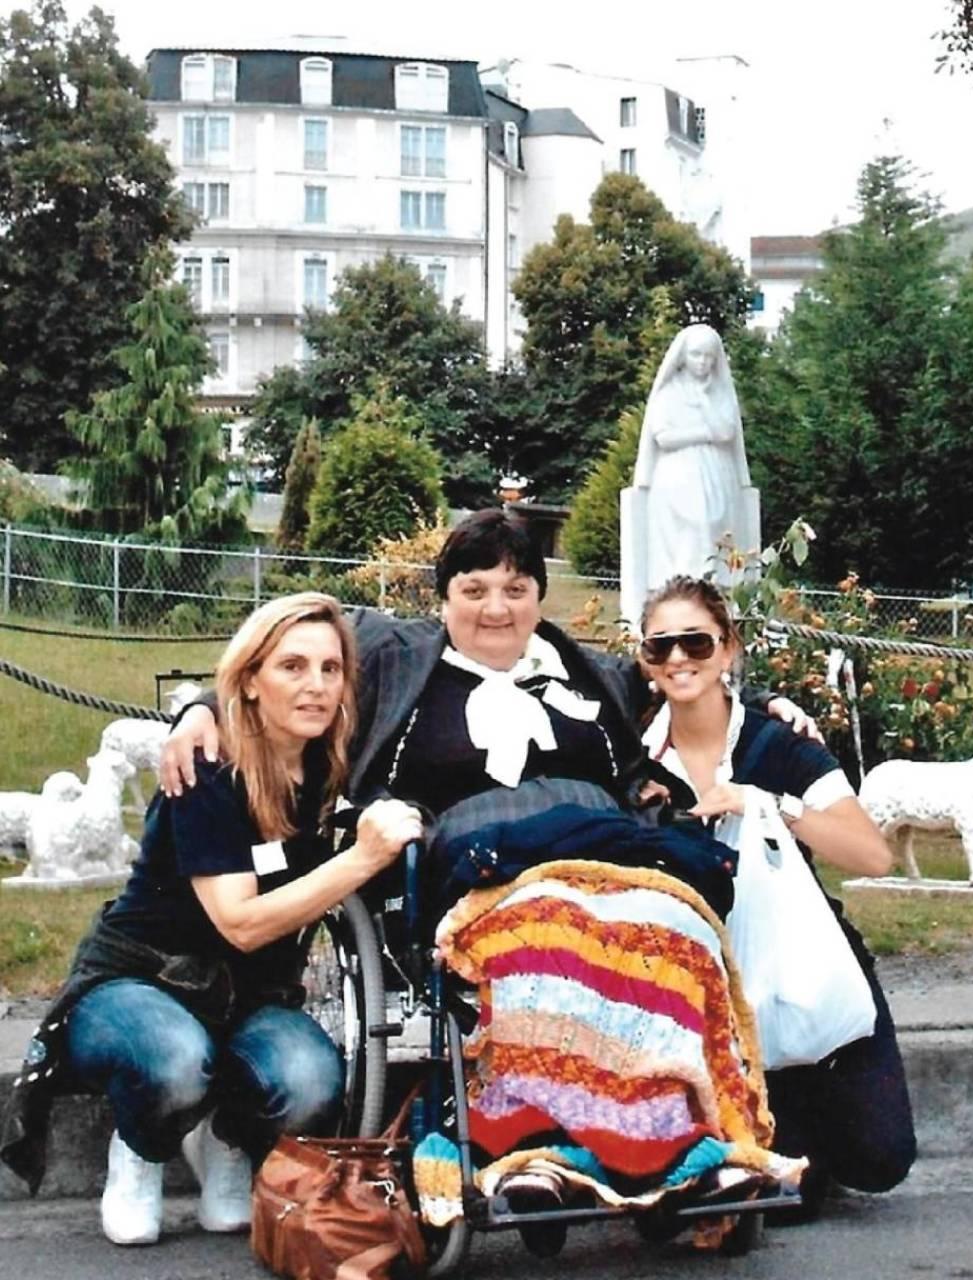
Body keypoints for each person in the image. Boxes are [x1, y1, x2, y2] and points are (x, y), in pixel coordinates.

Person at [0, 594, 422, 1245]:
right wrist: (361, 859)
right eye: (292, 666)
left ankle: (225, 1135)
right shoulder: (205, 767)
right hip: (139, 982)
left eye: (330, 669)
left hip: (248, 998)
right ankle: (139, 1148)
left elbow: (419, 642)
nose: (315, 685)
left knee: (311, 1078)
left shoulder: (331, 755)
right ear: (251, 680)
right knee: (173, 1056)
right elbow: (243, 924)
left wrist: (194, 703)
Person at [159, 509, 812, 812]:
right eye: (474, 591)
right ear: (443, 597)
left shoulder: (588, 675)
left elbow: (680, 677)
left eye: (515, 590)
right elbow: (284, 655)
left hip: (599, 869)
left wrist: (763, 705)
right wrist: (202, 708)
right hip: (460, 879)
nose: (495, 609)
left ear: (538, 597)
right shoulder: (392, 653)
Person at [634, 574, 916, 1207]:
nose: (679, 658)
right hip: (705, 987)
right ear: (644, 661)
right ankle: (772, 1139)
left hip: (808, 965)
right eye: (660, 647)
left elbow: (870, 854)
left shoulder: (777, 745)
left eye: (696, 644)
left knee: (880, 1159)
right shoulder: (635, 759)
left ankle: (805, 1122)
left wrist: (768, 805)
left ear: (728, 649)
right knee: (778, 1198)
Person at [632, 324, 755, 588]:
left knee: (719, 529)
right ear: (683, 356)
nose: (703, 362)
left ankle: (715, 588)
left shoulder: (720, 392)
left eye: (709, 356)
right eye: (696, 355)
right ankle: (685, 587)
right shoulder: (670, 392)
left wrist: (705, 413)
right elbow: (664, 437)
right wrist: (705, 431)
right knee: (694, 526)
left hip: (719, 473)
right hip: (680, 473)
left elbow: (728, 431)